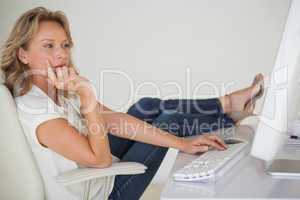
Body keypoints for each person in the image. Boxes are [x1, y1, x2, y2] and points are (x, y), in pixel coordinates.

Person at [0, 7, 264, 200]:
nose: (61, 54)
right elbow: (100, 160)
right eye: (49, 46)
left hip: (95, 172)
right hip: (104, 193)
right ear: (22, 54)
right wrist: (87, 96)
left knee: (146, 105)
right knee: (168, 122)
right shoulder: (38, 112)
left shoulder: (57, 93)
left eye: (65, 45)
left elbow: (115, 121)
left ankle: (229, 105)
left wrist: (183, 144)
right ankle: (230, 116)